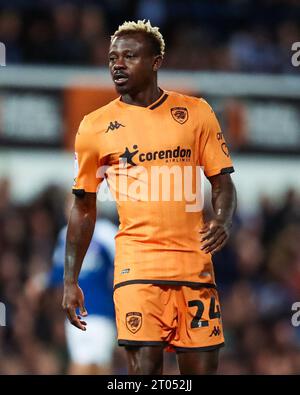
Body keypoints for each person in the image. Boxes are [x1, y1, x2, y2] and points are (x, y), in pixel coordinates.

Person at [62, 20, 237, 375]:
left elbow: (222, 182)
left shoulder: (196, 113)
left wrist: (222, 218)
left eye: (130, 55)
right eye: (113, 57)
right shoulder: (94, 127)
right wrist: (70, 280)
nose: (118, 64)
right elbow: (83, 208)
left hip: (195, 270)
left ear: (156, 61)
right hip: (137, 271)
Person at [50, 196, 117, 374]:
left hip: (102, 311)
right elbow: (58, 278)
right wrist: (58, 316)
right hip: (74, 314)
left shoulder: (106, 233)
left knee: (99, 366)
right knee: (81, 364)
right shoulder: (64, 235)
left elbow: (120, 271)